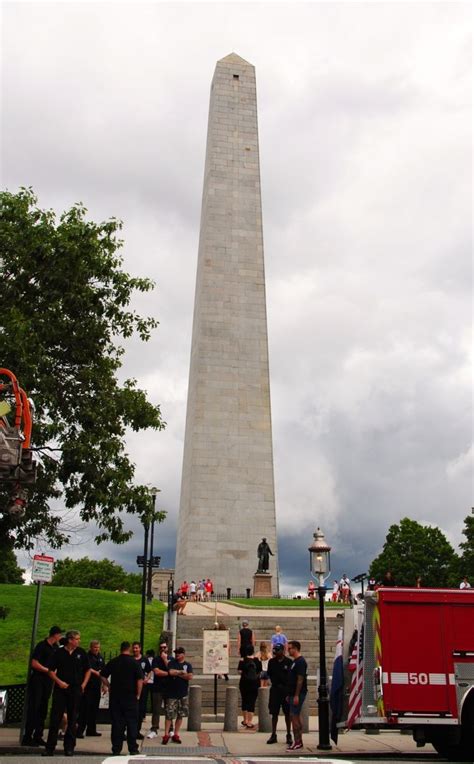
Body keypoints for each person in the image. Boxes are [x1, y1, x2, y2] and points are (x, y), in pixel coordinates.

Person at [43, 630, 91, 757]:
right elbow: (50, 670)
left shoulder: (81, 653)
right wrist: (59, 682)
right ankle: (50, 747)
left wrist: (83, 684)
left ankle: (69, 747)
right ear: (70, 640)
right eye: (77, 639)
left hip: (75, 688)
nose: (79, 641)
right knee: (56, 717)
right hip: (61, 688)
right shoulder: (59, 652)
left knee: (72, 718)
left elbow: (88, 670)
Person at [101, 641, 144, 756]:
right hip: (130, 696)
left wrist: (109, 686)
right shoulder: (134, 663)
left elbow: (103, 675)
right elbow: (140, 680)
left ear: (120, 649)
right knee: (132, 723)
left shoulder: (114, 662)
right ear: (129, 649)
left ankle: (116, 748)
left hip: (116, 697)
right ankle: (132, 748)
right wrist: (138, 694)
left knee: (116, 723)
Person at [22, 625, 63, 747]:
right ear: (55, 635)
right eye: (59, 635)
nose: (60, 637)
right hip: (39, 679)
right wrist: (47, 670)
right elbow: (34, 663)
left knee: (43, 708)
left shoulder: (56, 648)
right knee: (34, 707)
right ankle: (27, 736)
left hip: (48, 681)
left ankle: (38, 735)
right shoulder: (42, 646)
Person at [162, 647, 193, 745]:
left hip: (183, 694)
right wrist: (181, 672)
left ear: (183, 654)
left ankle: (176, 734)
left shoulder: (188, 665)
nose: (177, 655)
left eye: (179, 653)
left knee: (181, 715)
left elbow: (190, 676)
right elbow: (170, 672)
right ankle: (166, 734)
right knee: (169, 715)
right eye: (176, 653)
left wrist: (177, 674)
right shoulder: (172, 662)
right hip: (172, 693)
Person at [77, 640, 105, 738]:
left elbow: (103, 672)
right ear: (90, 647)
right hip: (88, 686)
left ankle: (91, 730)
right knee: (84, 709)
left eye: (98, 647)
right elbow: (87, 668)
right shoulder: (86, 657)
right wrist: (95, 672)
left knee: (94, 709)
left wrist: (104, 685)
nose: (96, 649)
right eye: (94, 647)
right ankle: (80, 730)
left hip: (96, 686)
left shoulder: (100, 658)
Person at [266, 643, 292, 746]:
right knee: (274, 713)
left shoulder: (289, 662)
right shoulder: (271, 662)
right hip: (275, 689)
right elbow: (270, 674)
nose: (275, 652)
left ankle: (289, 734)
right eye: (275, 650)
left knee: (288, 713)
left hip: (285, 689)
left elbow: (290, 676)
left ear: (283, 651)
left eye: (278, 650)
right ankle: (273, 734)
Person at [286, 640, 307, 751]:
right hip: (292, 693)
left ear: (295, 648)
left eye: (290, 648)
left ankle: (297, 741)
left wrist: (296, 695)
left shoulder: (300, 662)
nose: (288, 650)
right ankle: (299, 741)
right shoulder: (295, 661)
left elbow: (300, 679)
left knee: (294, 717)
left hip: (298, 693)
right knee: (295, 716)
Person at [147, 642, 169, 738]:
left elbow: (171, 668)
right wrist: (168, 673)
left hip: (168, 688)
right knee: (156, 709)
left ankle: (170, 729)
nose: (163, 649)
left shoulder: (171, 659)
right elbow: (156, 672)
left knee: (169, 709)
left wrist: (165, 660)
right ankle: (154, 728)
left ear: (167, 648)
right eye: (161, 647)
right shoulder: (155, 659)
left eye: (164, 647)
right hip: (157, 688)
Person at [238, 645, 262, 729]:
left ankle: (245, 720)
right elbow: (260, 671)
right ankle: (250, 721)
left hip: (244, 682)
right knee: (252, 701)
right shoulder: (257, 660)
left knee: (244, 700)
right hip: (255, 683)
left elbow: (239, 671)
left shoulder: (242, 660)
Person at [132, 642, 150, 738]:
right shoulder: (131, 660)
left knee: (140, 710)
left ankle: (137, 731)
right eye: (133, 648)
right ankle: (130, 730)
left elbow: (149, 671)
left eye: (136, 648)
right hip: (132, 687)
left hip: (142, 688)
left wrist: (147, 678)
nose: (135, 650)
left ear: (140, 648)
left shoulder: (144, 660)